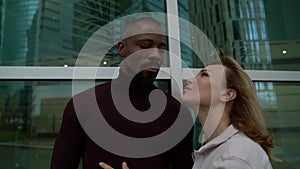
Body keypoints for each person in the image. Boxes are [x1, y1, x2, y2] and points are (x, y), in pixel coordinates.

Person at [50, 17, 194, 169]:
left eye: (161, 49)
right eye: (145, 46)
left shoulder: (177, 114)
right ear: (122, 49)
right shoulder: (83, 105)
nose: (156, 55)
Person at [100, 56, 274, 169]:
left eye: (204, 75)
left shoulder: (234, 157)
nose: (190, 79)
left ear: (227, 94)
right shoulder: (214, 149)